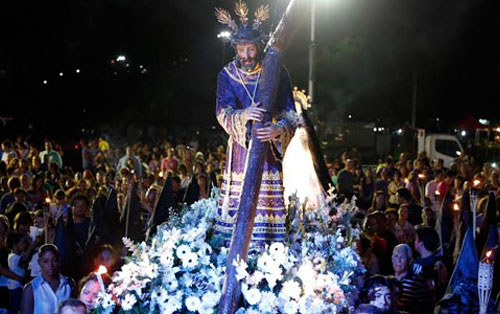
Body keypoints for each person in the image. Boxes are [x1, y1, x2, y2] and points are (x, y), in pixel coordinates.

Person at [214, 3, 296, 245]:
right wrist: (244, 114)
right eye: (241, 49)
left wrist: (278, 129)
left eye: (250, 49)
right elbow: (222, 112)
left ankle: (271, 245)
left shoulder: (277, 72)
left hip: (268, 150)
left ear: (259, 47)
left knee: (266, 207)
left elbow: (292, 114)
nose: (246, 56)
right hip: (240, 150)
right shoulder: (226, 75)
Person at [21, 244, 75, 314]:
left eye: (54, 261)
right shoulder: (31, 289)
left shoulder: (68, 284)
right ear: (39, 262)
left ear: (59, 261)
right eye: (45, 261)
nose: (50, 265)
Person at [391, 244, 433, 314]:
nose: (398, 261)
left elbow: (426, 307)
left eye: (402, 257)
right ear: (392, 259)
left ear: (409, 261)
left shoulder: (418, 281)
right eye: (396, 256)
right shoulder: (388, 280)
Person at [7, 233, 29, 313]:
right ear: (15, 245)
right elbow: (23, 259)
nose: (25, 244)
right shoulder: (13, 257)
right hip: (15, 288)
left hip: (17, 287)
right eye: (22, 242)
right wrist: (32, 246)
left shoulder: (16, 256)